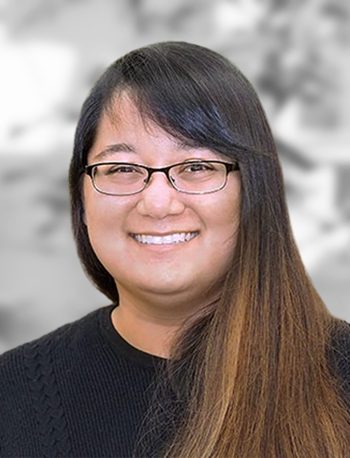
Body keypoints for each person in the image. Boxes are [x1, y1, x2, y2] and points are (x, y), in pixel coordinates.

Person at [0, 41, 349, 458]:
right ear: (82, 198)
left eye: (197, 167)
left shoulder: (341, 374)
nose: (158, 203)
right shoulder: (14, 394)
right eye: (123, 169)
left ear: (255, 190)